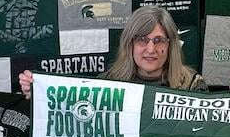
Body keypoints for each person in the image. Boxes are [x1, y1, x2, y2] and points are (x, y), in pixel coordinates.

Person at [19, 6, 206, 98]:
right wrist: (39, 93)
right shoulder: (107, 83)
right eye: (142, 39)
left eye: (159, 40)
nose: (151, 49)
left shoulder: (192, 86)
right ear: (129, 44)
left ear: (170, 44)